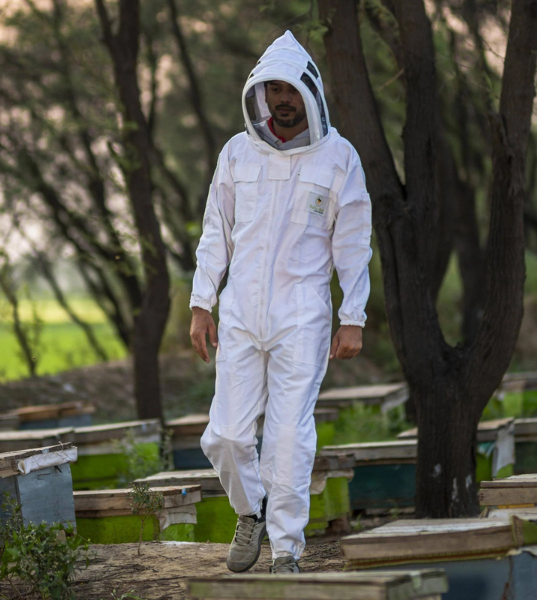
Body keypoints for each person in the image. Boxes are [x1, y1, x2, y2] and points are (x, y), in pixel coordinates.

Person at [189, 31, 372, 574]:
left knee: (288, 438)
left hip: (302, 315)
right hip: (240, 311)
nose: (283, 99)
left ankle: (286, 550)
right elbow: (216, 231)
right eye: (273, 90)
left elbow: (353, 242)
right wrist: (202, 302)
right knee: (225, 436)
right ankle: (251, 512)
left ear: (309, 93)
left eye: (291, 90)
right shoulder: (237, 152)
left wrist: (353, 316)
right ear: (260, 93)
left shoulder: (339, 158)